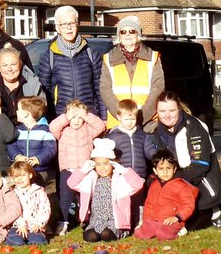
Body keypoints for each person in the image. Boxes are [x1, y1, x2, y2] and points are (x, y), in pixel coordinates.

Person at [149, 91, 221, 229]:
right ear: (157, 112)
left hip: (200, 180)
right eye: (162, 111)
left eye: (172, 110)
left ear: (179, 109)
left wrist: (175, 181)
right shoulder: (157, 132)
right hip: (175, 178)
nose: (167, 115)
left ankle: (214, 211)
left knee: (189, 224)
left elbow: (201, 164)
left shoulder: (194, 126)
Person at [67, 138, 145, 243]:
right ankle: (96, 230)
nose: (102, 168)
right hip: (97, 220)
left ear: (113, 164)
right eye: (98, 164)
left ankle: (119, 232)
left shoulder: (120, 179)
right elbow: (71, 183)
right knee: (90, 237)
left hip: (115, 220)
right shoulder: (91, 178)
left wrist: (125, 171)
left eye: (105, 164)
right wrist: (83, 171)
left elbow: (138, 184)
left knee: (106, 235)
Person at [35, 5, 105, 121]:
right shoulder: (49, 56)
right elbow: (44, 93)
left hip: (88, 116)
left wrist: (103, 117)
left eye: (72, 23)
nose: (69, 28)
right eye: (64, 24)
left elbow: (99, 88)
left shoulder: (91, 54)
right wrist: (48, 120)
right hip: (62, 117)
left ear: (77, 24)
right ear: (58, 28)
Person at [48, 99, 106, 235]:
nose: (77, 120)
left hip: (85, 170)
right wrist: (66, 118)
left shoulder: (88, 129)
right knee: (65, 196)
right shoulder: (63, 130)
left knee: (86, 195)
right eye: (73, 117)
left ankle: (87, 219)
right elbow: (53, 127)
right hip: (68, 168)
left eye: (80, 117)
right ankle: (63, 221)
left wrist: (86, 116)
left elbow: (100, 126)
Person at [99, 16, 165, 128]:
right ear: (119, 36)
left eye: (132, 31)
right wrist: (124, 118)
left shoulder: (153, 57)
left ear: (138, 34)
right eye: (123, 32)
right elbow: (105, 91)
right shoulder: (108, 58)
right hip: (118, 123)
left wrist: (140, 118)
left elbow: (157, 89)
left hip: (148, 123)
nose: (128, 34)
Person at [106, 98, 156, 225]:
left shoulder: (141, 134)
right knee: (124, 199)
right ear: (118, 117)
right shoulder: (114, 135)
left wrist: (157, 157)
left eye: (132, 119)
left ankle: (139, 221)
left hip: (139, 174)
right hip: (122, 175)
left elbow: (149, 150)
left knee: (139, 199)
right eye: (126, 119)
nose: (129, 122)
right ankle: (124, 222)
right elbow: (109, 155)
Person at [134, 149, 199, 240]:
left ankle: (180, 231)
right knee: (140, 234)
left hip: (171, 221)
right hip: (154, 220)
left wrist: (177, 218)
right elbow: (149, 204)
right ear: (155, 170)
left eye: (168, 168)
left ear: (174, 169)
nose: (165, 172)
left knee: (163, 235)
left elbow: (188, 205)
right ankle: (148, 229)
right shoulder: (153, 185)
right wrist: (146, 220)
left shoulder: (180, 185)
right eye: (161, 169)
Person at [0, 45, 42, 119]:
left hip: (27, 127)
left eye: (13, 64)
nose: (9, 69)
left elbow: (40, 112)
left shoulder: (32, 82)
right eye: (5, 65)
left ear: (20, 64)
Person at [5, 95, 58, 178]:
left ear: (26, 114)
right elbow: (11, 145)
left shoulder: (45, 130)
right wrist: (17, 156)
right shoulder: (18, 130)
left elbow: (50, 149)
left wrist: (38, 159)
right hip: (20, 170)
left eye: (18, 109)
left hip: (39, 171)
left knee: (37, 190)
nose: (16, 112)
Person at [5, 159, 51, 246]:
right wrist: (21, 224)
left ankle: (35, 237)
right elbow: (12, 210)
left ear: (30, 175)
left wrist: (39, 223)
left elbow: (45, 208)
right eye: (16, 176)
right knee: (16, 242)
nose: (19, 179)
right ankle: (16, 237)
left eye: (22, 175)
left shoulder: (39, 191)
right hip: (18, 225)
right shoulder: (12, 193)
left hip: (35, 224)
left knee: (37, 242)